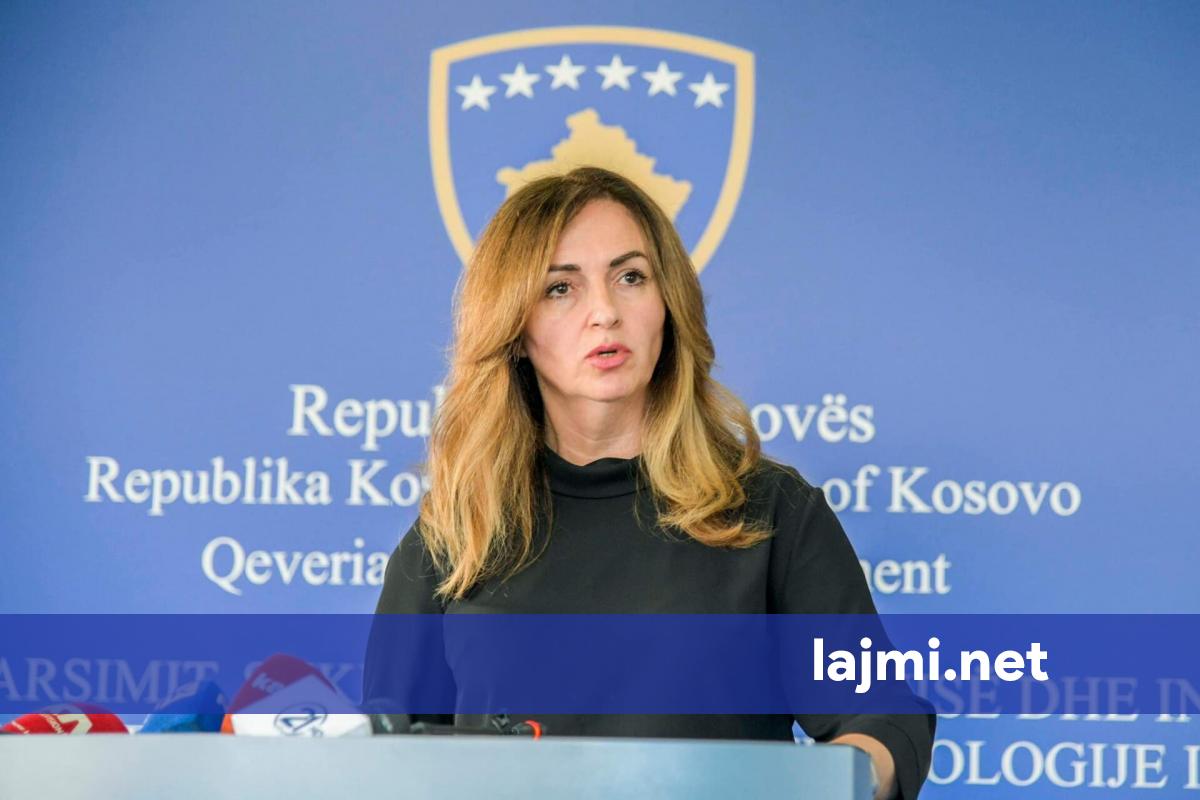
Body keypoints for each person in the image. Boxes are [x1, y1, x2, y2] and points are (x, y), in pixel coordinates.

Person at [368, 166, 935, 798]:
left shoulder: (769, 511)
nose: (605, 313)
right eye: (561, 288)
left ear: (668, 303)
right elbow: (387, 765)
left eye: (631, 277)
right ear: (515, 330)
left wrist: (838, 779)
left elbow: (882, 718)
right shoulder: (454, 534)